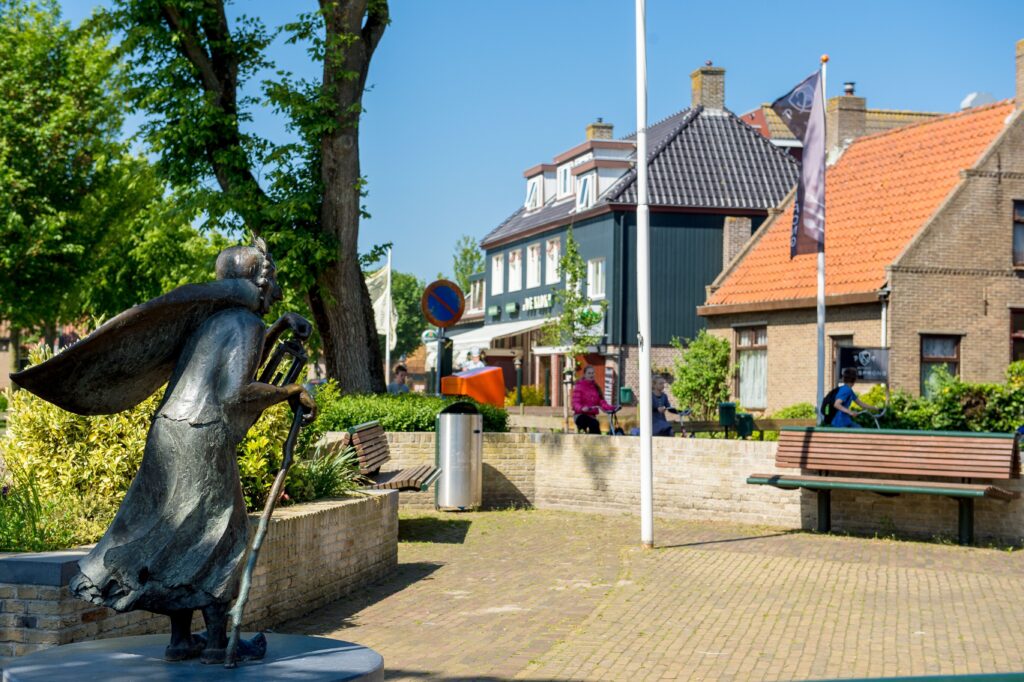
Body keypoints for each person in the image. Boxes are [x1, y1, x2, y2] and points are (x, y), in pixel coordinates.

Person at [13, 238, 316, 664]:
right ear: (259, 283)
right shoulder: (243, 324)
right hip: (203, 435)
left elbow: (233, 364)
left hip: (170, 430)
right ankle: (215, 643)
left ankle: (180, 640)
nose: (277, 293)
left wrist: (281, 327)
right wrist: (292, 391)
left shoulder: (215, 321)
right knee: (220, 535)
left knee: (179, 536)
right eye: (274, 284)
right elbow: (234, 393)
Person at [571, 364, 616, 434]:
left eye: (592, 373)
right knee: (590, 422)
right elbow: (575, 402)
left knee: (595, 425)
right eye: (589, 373)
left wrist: (612, 408)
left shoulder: (595, 387)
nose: (591, 375)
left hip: (591, 416)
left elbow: (601, 402)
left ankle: (597, 443)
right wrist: (581, 408)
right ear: (585, 375)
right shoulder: (579, 386)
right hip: (580, 415)